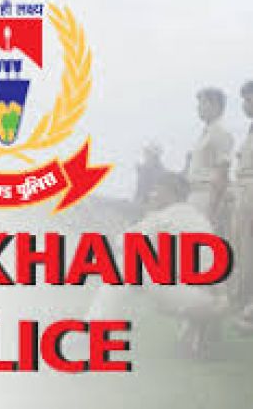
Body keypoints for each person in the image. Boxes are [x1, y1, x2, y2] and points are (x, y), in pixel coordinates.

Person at [85, 172, 228, 359]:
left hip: (191, 297)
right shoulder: (198, 217)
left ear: (168, 192)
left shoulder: (163, 217)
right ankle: (197, 332)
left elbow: (122, 244)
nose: (152, 195)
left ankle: (92, 330)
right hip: (217, 299)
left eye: (156, 190)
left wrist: (101, 227)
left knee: (126, 263)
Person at [186, 88, 234, 223]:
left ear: (216, 106)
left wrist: (213, 208)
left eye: (203, 103)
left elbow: (222, 171)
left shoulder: (220, 133)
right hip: (194, 194)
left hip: (206, 195)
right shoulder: (205, 134)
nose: (198, 108)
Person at [231, 81, 253, 331]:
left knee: (249, 251)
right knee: (243, 251)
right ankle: (245, 305)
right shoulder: (249, 130)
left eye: (248, 99)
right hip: (242, 190)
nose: (245, 105)